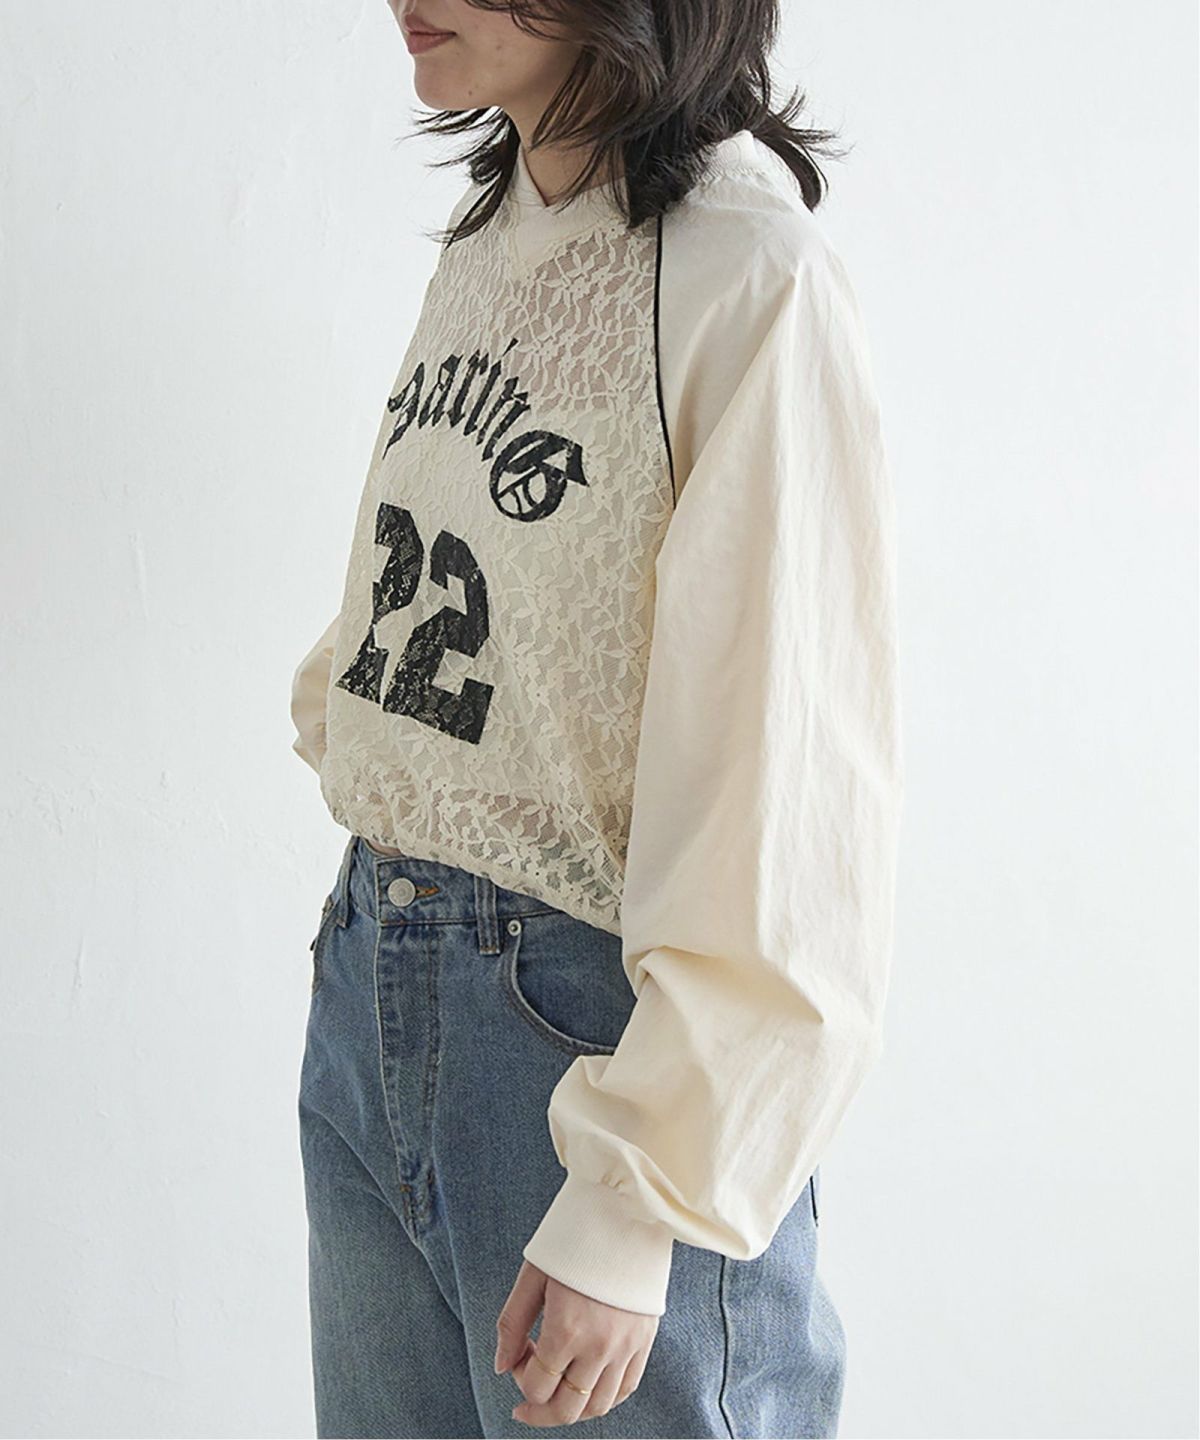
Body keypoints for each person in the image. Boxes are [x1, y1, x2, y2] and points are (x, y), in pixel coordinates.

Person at [289, 0, 904, 1434]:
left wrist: (640, 1193)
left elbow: (786, 782)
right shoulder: (491, 235)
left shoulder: (748, 273)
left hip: (584, 1030)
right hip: (374, 972)